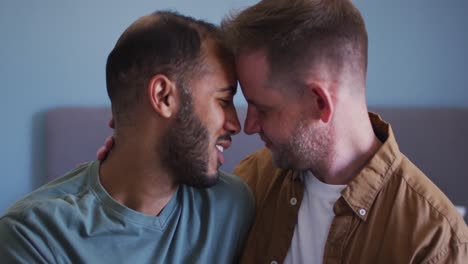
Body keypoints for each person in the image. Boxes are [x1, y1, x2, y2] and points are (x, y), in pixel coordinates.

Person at [219, 0, 468, 263]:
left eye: (263, 109)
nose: (248, 127)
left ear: (320, 103)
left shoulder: (435, 242)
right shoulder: (252, 182)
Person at [0, 11, 254, 263]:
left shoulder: (233, 206)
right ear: (163, 96)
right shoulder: (33, 235)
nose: (236, 125)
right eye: (223, 101)